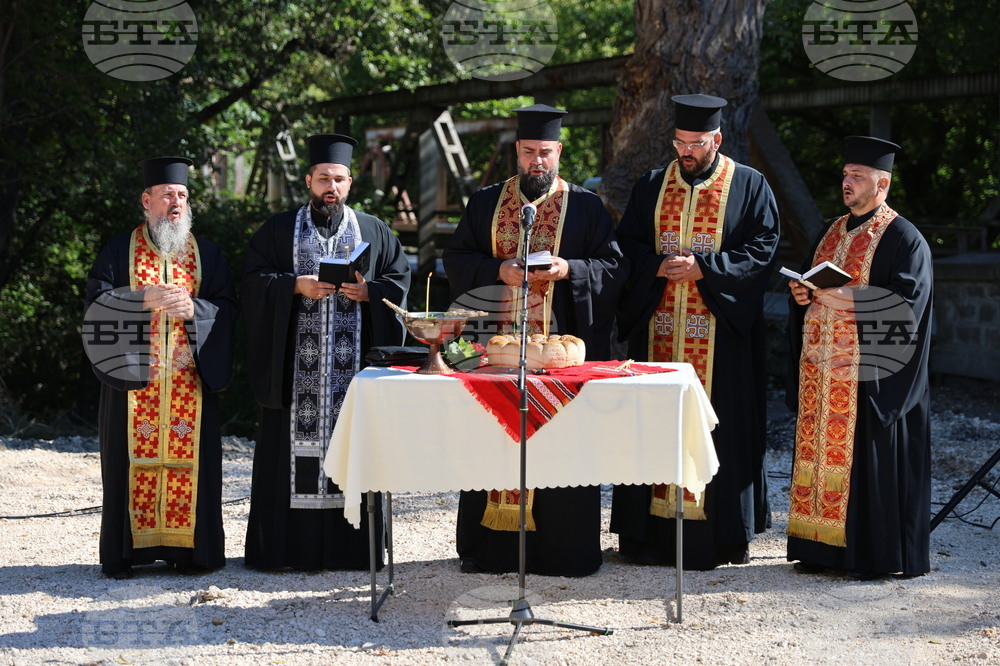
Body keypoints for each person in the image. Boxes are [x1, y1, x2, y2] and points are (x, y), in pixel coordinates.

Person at [442, 104, 626, 577]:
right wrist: (496, 270)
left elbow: (613, 268)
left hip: (558, 359)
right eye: (528, 153)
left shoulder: (585, 206)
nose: (536, 163)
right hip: (498, 353)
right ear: (516, 152)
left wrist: (570, 270)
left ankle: (563, 552)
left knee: (561, 447)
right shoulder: (485, 202)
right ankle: (490, 551)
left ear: (559, 151)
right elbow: (457, 258)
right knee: (493, 440)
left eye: (545, 153)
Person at [610, 94, 780, 571]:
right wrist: (658, 265)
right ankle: (648, 538)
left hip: (719, 342)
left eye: (696, 144)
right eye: (680, 143)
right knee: (653, 427)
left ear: (717, 140)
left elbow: (763, 250)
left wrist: (706, 270)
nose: (686, 152)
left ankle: (723, 540)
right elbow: (625, 248)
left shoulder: (749, 186)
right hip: (660, 334)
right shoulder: (650, 186)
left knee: (719, 429)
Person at [241, 133, 411, 570]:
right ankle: (284, 553)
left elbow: (400, 281)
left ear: (350, 182)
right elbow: (251, 281)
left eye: (338, 179)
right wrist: (292, 285)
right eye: (322, 179)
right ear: (308, 180)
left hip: (352, 374)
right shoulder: (279, 230)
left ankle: (353, 553)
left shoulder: (373, 230)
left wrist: (369, 292)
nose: (330, 187)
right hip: (295, 376)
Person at [785, 136, 933, 580]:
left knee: (866, 463)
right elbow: (815, 288)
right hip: (821, 373)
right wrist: (801, 295)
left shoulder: (904, 237)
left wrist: (847, 298)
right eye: (845, 174)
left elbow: (909, 307)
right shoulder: (832, 230)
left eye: (857, 176)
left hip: (868, 378)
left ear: (882, 183)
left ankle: (868, 556)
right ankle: (819, 550)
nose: (846, 182)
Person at [84, 156, 237, 579]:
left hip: (190, 384)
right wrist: (141, 300)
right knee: (130, 464)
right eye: (168, 194)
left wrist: (197, 309)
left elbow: (229, 309)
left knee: (194, 467)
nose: (177, 201)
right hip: (135, 388)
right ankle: (127, 553)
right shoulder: (119, 251)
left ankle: (193, 553)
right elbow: (95, 307)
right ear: (146, 200)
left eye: (183, 195)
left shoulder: (206, 254)